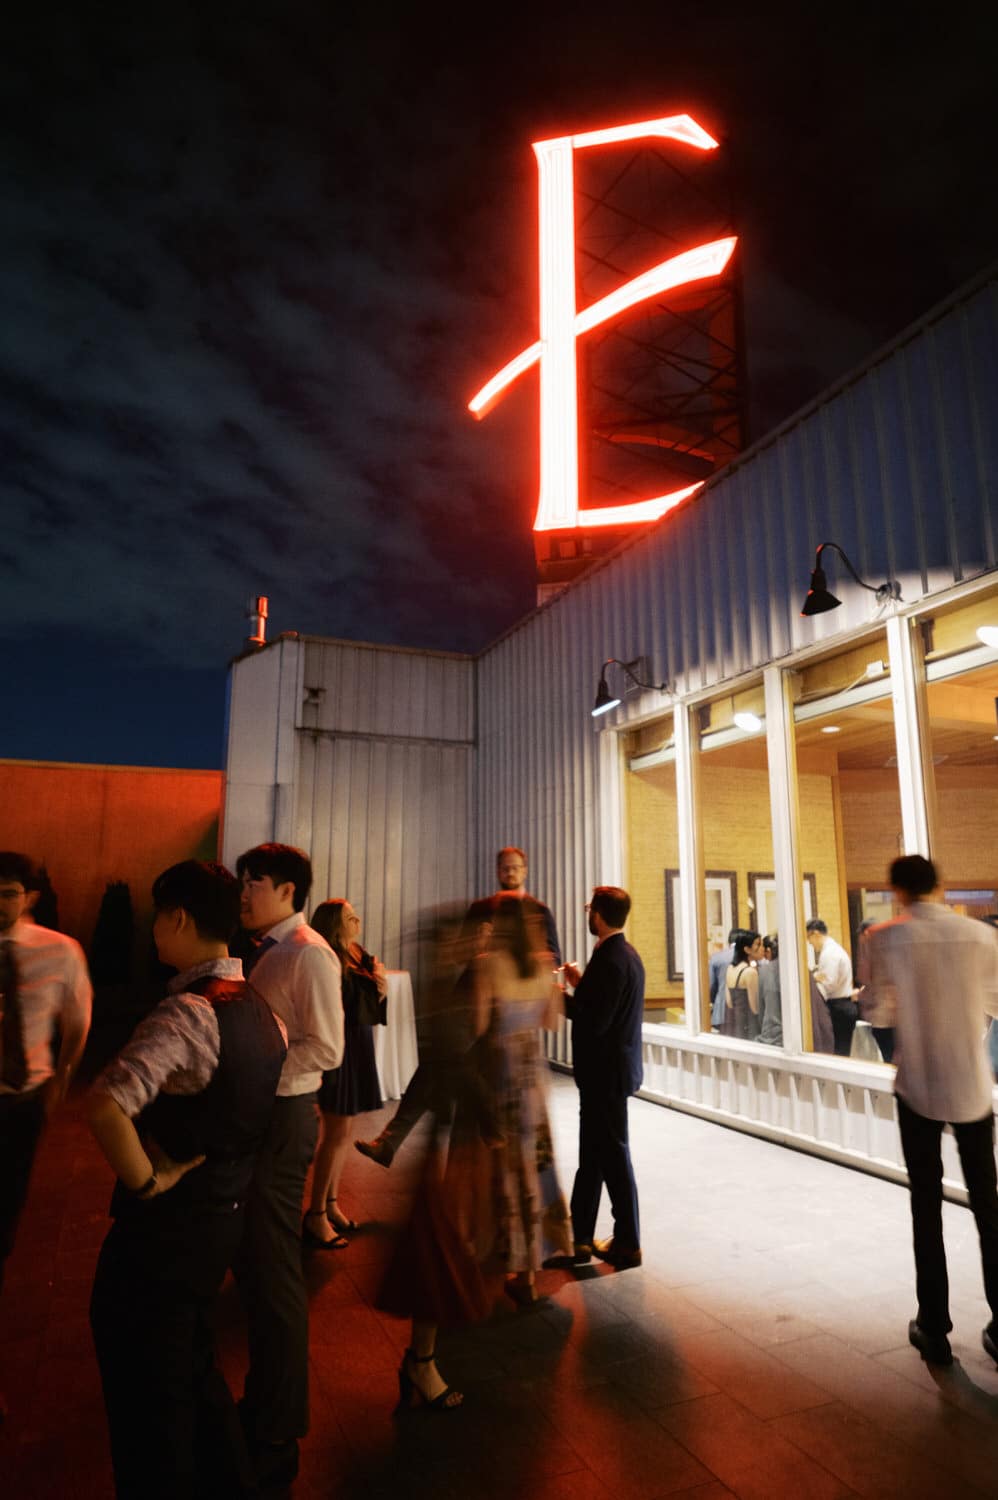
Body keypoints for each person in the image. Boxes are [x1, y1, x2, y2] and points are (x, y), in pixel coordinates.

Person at [87, 861, 287, 1499]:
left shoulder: (189, 1012)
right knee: (192, 1368)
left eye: (157, 917)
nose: (152, 931)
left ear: (178, 918)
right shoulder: (264, 1012)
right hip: (221, 1224)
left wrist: (147, 1183)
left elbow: (106, 1105)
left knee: (148, 1395)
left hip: (161, 1237)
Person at [377, 895, 570, 1407]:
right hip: (532, 1081)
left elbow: (475, 1033)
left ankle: (475, 1276)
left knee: (494, 1183)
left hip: (496, 1083)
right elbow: (552, 1021)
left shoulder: (484, 971)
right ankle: (528, 1274)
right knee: (534, 1171)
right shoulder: (542, 968)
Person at [232, 843, 344, 1485]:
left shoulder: (308, 953)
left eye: (255, 882)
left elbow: (326, 1048)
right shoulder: (267, 950)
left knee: (273, 1266)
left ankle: (277, 1422)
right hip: (261, 1114)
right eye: (243, 882)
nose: (244, 893)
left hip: (285, 1117)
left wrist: (255, 1070)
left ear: (287, 891)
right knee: (255, 1259)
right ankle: (264, 1401)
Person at [859, 855, 998, 1368]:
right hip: (971, 1085)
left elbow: (877, 1011)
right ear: (939, 886)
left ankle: (934, 1327)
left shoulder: (884, 937)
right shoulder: (979, 936)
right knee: (989, 1205)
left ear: (897, 890)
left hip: (917, 1083)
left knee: (926, 1204)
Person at [355, 847, 561, 1167]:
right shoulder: (481, 909)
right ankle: (397, 1143)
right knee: (440, 1066)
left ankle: (400, 1142)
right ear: (497, 871)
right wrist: (478, 947)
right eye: (505, 867)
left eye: (515, 867)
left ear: (525, 870)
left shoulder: (539, 911)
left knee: (444, 1068)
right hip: (471, 1004)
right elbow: (457, 955)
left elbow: (552, 961)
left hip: (505, 1018)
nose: (510, 872)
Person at [0, 851, 92, 1426]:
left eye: (7, 892)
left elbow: (77, 1021)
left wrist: (62, 1080)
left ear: (29, 897)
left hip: (18, 1105)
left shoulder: (59, 951)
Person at [561, 886, 644, 1269]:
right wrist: (580, 984)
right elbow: (604, 1004)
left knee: (612, 1158)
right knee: (592, 1158)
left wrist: (557, 998)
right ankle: (580, 1237)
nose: (587, 915)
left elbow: (595, 1020)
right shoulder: (625, 954)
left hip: (603, 1075)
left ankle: (628, 1242)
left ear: (598, 914)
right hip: (610, 1072)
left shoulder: (610, 959)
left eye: (589, 909)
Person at [303, 899, 385, 1248]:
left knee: (344, 1132)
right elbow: (343, 1004)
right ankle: (316, 1213)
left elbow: (367, 1002)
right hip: (341, 1047)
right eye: (350, 917)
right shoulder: (331, 958)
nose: (357, 920)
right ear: (335, 925)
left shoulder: (355, 952)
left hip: (356, 1043)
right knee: (335, 1133)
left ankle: (331, 1204)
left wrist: (377, 984)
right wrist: (375, 985)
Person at [807, 917, 855, 1056]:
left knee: (838, 1052)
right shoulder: (832, 950)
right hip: (842, 1005)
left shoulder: (829, 953)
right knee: (841, 1051)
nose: (809, 943)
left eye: (809, 938)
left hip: (838, 1007)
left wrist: (813, 979)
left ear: (816, 933)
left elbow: (828, 984)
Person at [723, 930, 762, 1040]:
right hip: (750, 1026)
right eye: (758, 944)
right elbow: (755, 1008)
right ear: (747, 949)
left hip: (735, 1023)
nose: (761, 948)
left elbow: (729, 1002)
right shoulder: (750, 972)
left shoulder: (730, 968)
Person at [709, 928, 737, 1031]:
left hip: (721, 1011)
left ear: (729, 941)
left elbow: (711, 986)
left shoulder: (717, 958)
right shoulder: (751, 958)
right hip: (744, 1013)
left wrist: (714, 1001)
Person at [757, 934, 783, 1046]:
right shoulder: (797, 967)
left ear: (768, 950)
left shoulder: (765, 970)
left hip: (772, 1035)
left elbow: (761, 1006)